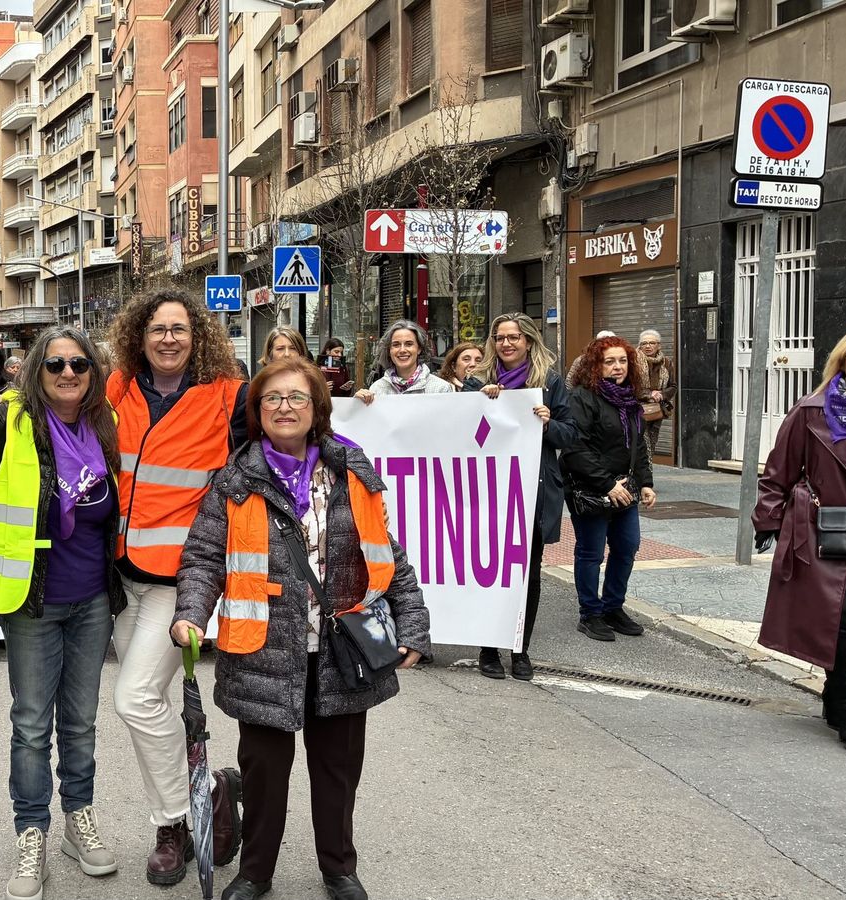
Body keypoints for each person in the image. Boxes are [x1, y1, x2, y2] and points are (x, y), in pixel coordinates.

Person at [171, 357, 430, 900]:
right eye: (272, 399)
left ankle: (338, 867)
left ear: (317, 410)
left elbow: (388, 553)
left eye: (296, 398)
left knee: (337, 772)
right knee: (264, 775)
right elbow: (202, 557)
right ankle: (256, 872)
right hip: (263, 651)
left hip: (342, 652)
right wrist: (191, 614)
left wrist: (411, 621)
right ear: (257, 411)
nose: (283, 407)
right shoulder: (235, 480)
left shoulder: (350, 472)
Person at [0, 327, 124, 900]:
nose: (68, 374)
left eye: (79, 365)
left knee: (81, 721)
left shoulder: (108, 425)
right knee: (31, 724)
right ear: (37, 370)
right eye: (56, 365)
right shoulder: (9, 418)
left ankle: (78, 820)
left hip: (93, 598)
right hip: (32, 600)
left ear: (93, 373)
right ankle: (31, 831)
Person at [106, 289, 246, 886]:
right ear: (140, 336)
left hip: (181, 582)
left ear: (198, 338)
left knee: (134, 699)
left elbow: (297, 419)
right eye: (158, 329)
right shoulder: (115, 390)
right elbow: (44, 403)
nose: (168, 338)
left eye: (180, 329)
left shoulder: (228, 396)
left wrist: (357, 406)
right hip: (121, 577)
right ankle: (194, 800)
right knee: (148, 707)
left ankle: (184, 812)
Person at [754, 328, 846, 747]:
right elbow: (778, 470)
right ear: (841, 361)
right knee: (845, 616)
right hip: (826, 527)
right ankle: (842, 701)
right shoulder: (812, 410)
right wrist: (769, 520)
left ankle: (834, 694)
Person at [465, 313, 574, 681]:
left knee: (528, 573)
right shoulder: (477, 382)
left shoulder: (550, 383)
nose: (506, 344)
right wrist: (480, 405)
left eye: (514, 337)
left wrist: (549, 423)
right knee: (489, 570)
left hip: (533, 492)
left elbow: (570, 436)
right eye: (500, 338)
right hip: (489, 493)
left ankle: (520, 649)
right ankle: (488, 649)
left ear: (528, 341)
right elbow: (464, 434)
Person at [562, 336, 657, 642]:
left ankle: (613, 606)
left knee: (627, 546)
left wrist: (645, 483)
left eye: (622, 361)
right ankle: (590, 613)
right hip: (590, 488)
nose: (617, 367)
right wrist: (607, 484)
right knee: (591, 553)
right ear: (595, 366)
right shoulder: (581, 397)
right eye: (610, 362)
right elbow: (575, 449)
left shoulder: (629, 399)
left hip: (624, 487)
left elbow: (637, 446)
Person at [355, 320, 452, 402]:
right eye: (396, 345)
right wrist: (358, 406)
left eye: (409, 344)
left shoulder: (441, 389)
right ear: (389, 351)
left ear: (419, 349)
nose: (402, 350)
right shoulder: (377, 389)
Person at [636, 329, 676, 456]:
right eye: (644, 343)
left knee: (651, 445)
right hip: (637, 409)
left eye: (652, 343)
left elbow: (673, 386)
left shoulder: (666, 362)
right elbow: (629, 386)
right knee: (641, 445)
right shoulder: (632, 361)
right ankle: (643, 472)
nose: (648, 346)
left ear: (659, 345)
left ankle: (645, 471)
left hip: (656, 411)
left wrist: (661, 395)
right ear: (639, 345)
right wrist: (649, 394)